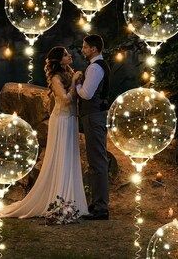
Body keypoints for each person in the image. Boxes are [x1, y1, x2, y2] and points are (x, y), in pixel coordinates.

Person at [0, 46, 88, 218]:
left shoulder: (68, 72)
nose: (69, 55)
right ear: (58, 61)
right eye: (65, 55)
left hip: (72, 120)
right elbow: (64, 100)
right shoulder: (56, 78)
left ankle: (72, 201)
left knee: (70, 157)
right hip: (62, 120)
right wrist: (74, 82)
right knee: (62, 157)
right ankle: (60, 200)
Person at [75, 34, 110, 220]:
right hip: (96, 116)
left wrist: (78, 83)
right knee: (97, 160)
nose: (83, 50)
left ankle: (101, 208)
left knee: (97, 161)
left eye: (85, 47)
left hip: (94, 116)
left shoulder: (95, 68)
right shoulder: (97, 66)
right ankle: (97, 202)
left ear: (94, 49)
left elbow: (87, 94)